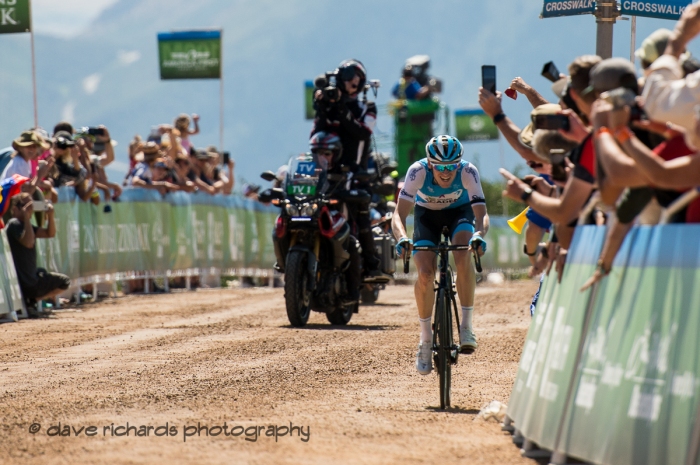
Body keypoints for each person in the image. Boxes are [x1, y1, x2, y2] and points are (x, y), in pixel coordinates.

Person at [391, 135, 489, 375]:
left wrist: (479, 234)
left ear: (459, 164)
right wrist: (402, 238)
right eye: (441, 167)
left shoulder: (468, 172)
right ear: (430, 163)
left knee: (464, 253)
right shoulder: (417, 172)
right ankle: (425, 340)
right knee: (425, 273)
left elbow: (481, 215)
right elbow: (398, 215)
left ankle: (466, 326)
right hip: (427, 217)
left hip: (460, 214)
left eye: (452, 166)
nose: (446, 172)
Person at [312, 59, 388, 282]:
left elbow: (362, 133)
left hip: (355, 172)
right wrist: (321, 105)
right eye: (346, 77)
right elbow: (317, 134)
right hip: (326, 173)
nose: (350, 82)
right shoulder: (329, 106)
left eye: (355, 77)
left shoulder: (368, 108)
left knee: (361, 211)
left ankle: (372, 265)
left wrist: (342, 109)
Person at [6, 193, 70, 317]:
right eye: (25, 205)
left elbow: (49, 233)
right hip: (26, 282)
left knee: (63, 281)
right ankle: (31, 301)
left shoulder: (24, 225)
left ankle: (32, 301)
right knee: (63, 281)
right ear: (15, 209)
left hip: (31, 279)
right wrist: (27, 218)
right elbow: (29, 243)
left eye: (32, 205)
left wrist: (50, 216)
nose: (30, 208)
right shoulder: (14, 223)